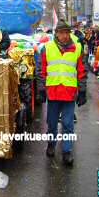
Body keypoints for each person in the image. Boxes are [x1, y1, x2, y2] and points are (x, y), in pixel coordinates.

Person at [37, 20, 88, 166]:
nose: (64, 35)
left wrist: (83, 90)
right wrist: (41, 89)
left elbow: (82, 71)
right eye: (61, 33)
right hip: (53, 93)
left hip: (69, 93)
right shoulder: (46, 48)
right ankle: (51, 144)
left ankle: (67, 151)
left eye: (67, 32)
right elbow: (41, 70)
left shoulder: (77, 48)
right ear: (56, 34)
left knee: (68, 124)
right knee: (51, 123)